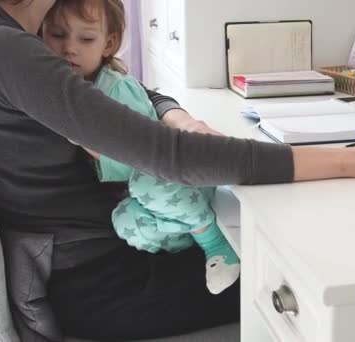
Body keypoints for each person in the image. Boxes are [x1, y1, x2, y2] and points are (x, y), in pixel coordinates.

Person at [0, 0, 355, 341]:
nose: (68, 43)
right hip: (103, 280)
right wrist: (353, 158)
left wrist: (175, 110)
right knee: (327, 275)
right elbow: (173, 157)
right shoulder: (6, 49)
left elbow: (127, 93)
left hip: (101, 257)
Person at [42, 0, 240, 295]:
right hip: (141, 196)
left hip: (163, 176)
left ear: (108, 44)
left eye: (85, 39)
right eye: (57, 35)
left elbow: (135, 159)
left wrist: (79, 137)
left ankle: (215, 243)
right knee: (123, 223)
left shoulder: (117, 89)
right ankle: (190, 233)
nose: (70, 47)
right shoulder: (64, 85)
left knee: (148, 186)